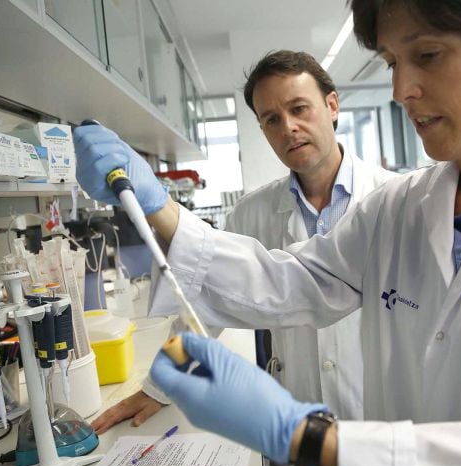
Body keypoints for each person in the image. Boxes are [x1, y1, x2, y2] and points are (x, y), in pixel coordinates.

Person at [74, 0, 461, 466]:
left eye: (428, 55)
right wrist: (159, 212)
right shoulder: (399, 208)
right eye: (394, 62)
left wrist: (308, 439)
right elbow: (294, 280)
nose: (402, 91)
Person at [86, 50, 397, 437]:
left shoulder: (393, 199)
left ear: (332, 105)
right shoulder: (251, 214)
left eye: (300, 108)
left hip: (380, 417)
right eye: (271, 119)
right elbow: (204, 311)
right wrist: (160, 387)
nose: (289, 128)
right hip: (297, 415)